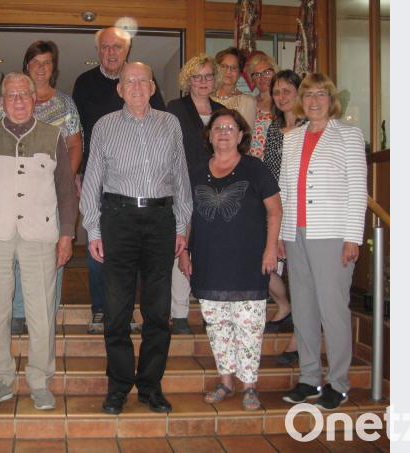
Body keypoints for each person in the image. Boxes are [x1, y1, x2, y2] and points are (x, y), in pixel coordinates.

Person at [0, 72, 77, 411]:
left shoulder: (53, 136)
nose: (20, 100)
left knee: (41, 312)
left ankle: (40, 380)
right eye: (12, 95)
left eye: (25, 94)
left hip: (41, 234)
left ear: (34, 98)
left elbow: (67, 191)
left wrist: (67, 233)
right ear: (2, 101)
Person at [80, 62, 192, 415]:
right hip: (118, 219)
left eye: (144, 80)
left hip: (161, 219)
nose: (137, 86)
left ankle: (150, 386)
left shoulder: (170, 123)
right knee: (116, 310)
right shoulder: (104, 126)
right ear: (119, 89)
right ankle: (118, 387)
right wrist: (94, 229)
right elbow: (92, 182)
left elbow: (181, 179)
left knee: (158, 311)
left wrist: (182, 227)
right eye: (130, 81)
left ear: (154, 86)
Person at [178, 107, 282, 411]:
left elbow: (275, 211)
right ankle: (225, 381)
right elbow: (186, 215)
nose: (223, 133)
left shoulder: (255, 168)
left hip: (249, 262)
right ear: (209, 136)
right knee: (218, 325)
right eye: (217, 128)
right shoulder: (195, 170)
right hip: (209, 262)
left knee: (249, 326)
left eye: (229, 128)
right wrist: (184, 252)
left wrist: (270, 248)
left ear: (241, 135)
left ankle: (249, 385)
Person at [279, 73, 367, 410]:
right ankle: (309, 377)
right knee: (303, 309)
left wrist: (352, 238)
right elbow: (287, 191)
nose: (314, 101)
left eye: (321, 94)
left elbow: (358, 190)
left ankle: (339, 382)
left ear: (331, 100)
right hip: (297, 234)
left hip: (332, 234)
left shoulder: (348, 135)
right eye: (308, 94)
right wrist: (285, 235)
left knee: (333, 310)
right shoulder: (292, 139)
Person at [72, 27, 166, 334]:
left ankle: (126, 310)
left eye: (118, 47)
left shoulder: (144, 83)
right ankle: (100, 309)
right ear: (98, 51)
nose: (112, 53)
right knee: (98, 242)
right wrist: (78, 174)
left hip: (137, 183)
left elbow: (160, 129)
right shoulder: (84, 84)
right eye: (106, 47)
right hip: (98, 178)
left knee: (134, 248)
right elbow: (77, 134)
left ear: (127, 51)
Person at [0, 40, 83, 335]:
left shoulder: (65, 103)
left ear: (53, 67)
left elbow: (75, 145)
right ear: (26, 66)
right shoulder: (8, 101)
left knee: (50, 257)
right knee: (17, 254)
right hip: (14, 194)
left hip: (50, 196)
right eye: (35, 63)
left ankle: (43, 315)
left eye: (46, 62)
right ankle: (18, 313)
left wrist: (62, 184)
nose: (41, 68)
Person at [165, 53, 223, 334]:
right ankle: (178, 313)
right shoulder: (175, 108)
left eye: (208, 76)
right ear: (188, 80)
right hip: (183, 187)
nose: (203, 81)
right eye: (197, 76)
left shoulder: (223, 111)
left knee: (210, 249)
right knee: (182, 246)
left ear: (215, 80)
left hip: (216, 190)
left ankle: (211, 307)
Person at [262, 70, 303, 365]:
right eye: (277, 92)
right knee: (264, 263)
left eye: (288, 90)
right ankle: (284, 304)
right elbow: (268, 170)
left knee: (301, 275)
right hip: (275, 206)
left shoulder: (310, 128)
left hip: (302, 209)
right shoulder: (274, 129)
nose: (282, 96)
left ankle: (298, 338)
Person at [210, 47, 256, 129]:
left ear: (240, 73)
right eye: (224, 66)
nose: (228, 71)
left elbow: (246, 136)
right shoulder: (207, 98)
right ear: (216, 69)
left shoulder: (247, 101)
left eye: (234, 68)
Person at [245, 52, 278, 159]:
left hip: (280, 164)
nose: (262, 77)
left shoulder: (284, 103)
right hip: (254, 165)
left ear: (275, 73)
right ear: (253, 80)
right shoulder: (249, 104)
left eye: (267, 72)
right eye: (257, 74)